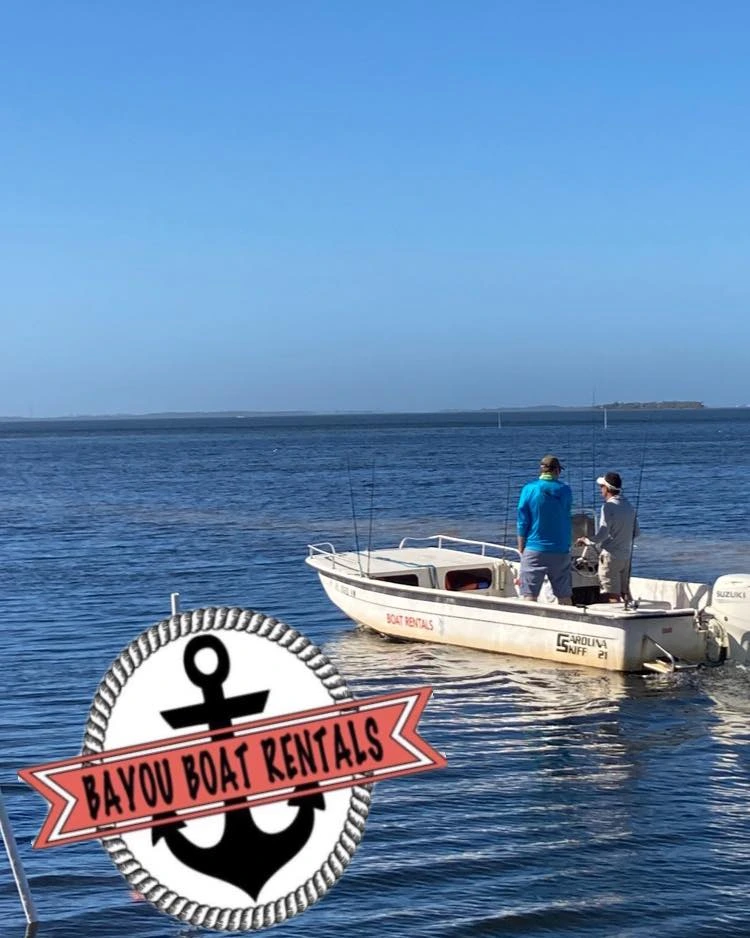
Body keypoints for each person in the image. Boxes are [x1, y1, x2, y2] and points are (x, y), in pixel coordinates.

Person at [516, 454, 573, 604]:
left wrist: (521, 547)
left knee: (529, 596)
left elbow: (522, 521)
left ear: (541, 471)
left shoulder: (528, 489)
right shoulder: (566, 490)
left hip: (534, 548)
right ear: (557, 471)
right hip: (561, 549)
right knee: (564, 596)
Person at [576, 471, 640, 602]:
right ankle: (631, 609)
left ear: (607, 488)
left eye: (601, 487)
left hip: (610, 557)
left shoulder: (607, 507)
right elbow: (636, 532)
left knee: (610, 594)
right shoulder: (628, 505)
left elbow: (603, 534)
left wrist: (587, 540)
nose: (600, 490)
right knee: (625, 591)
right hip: (626, 555)